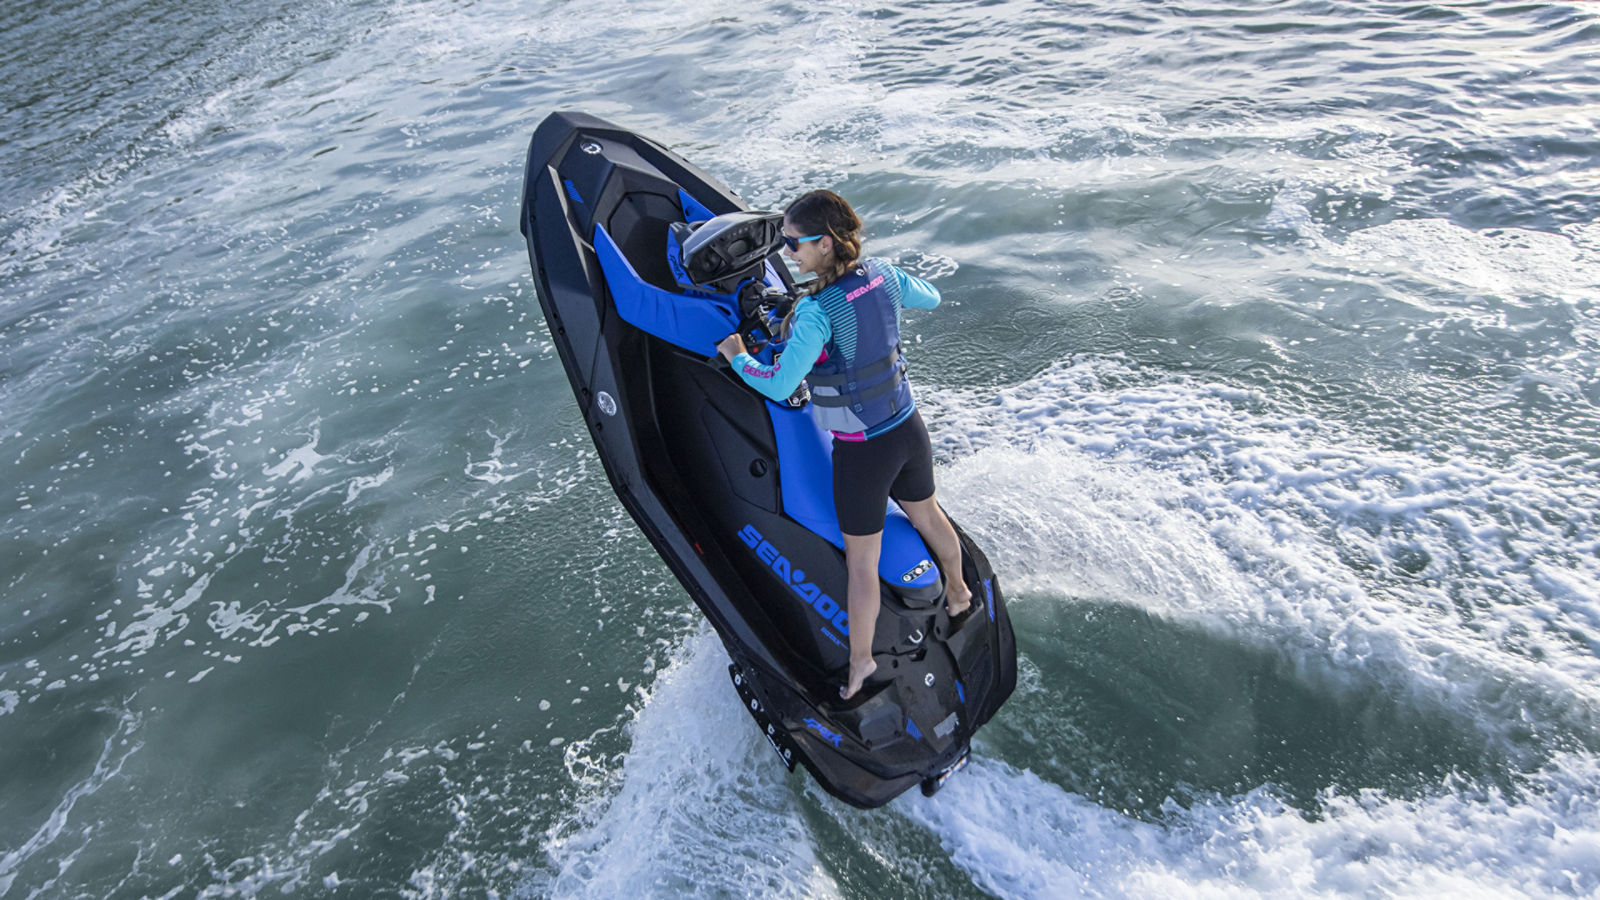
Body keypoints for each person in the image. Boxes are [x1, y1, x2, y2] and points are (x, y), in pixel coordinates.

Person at [716, 190, 973, 701]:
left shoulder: (815, 313)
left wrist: (739, 355)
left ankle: (859, 664)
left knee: (860, 565)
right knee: (927, 515)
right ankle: (960, 592)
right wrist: (887, 286)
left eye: (793, 243)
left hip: (864, 455)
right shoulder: (883, 273)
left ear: (825, 243)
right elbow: (931, 297)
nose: (787, 253)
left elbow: (780, 381)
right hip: (907, 429)